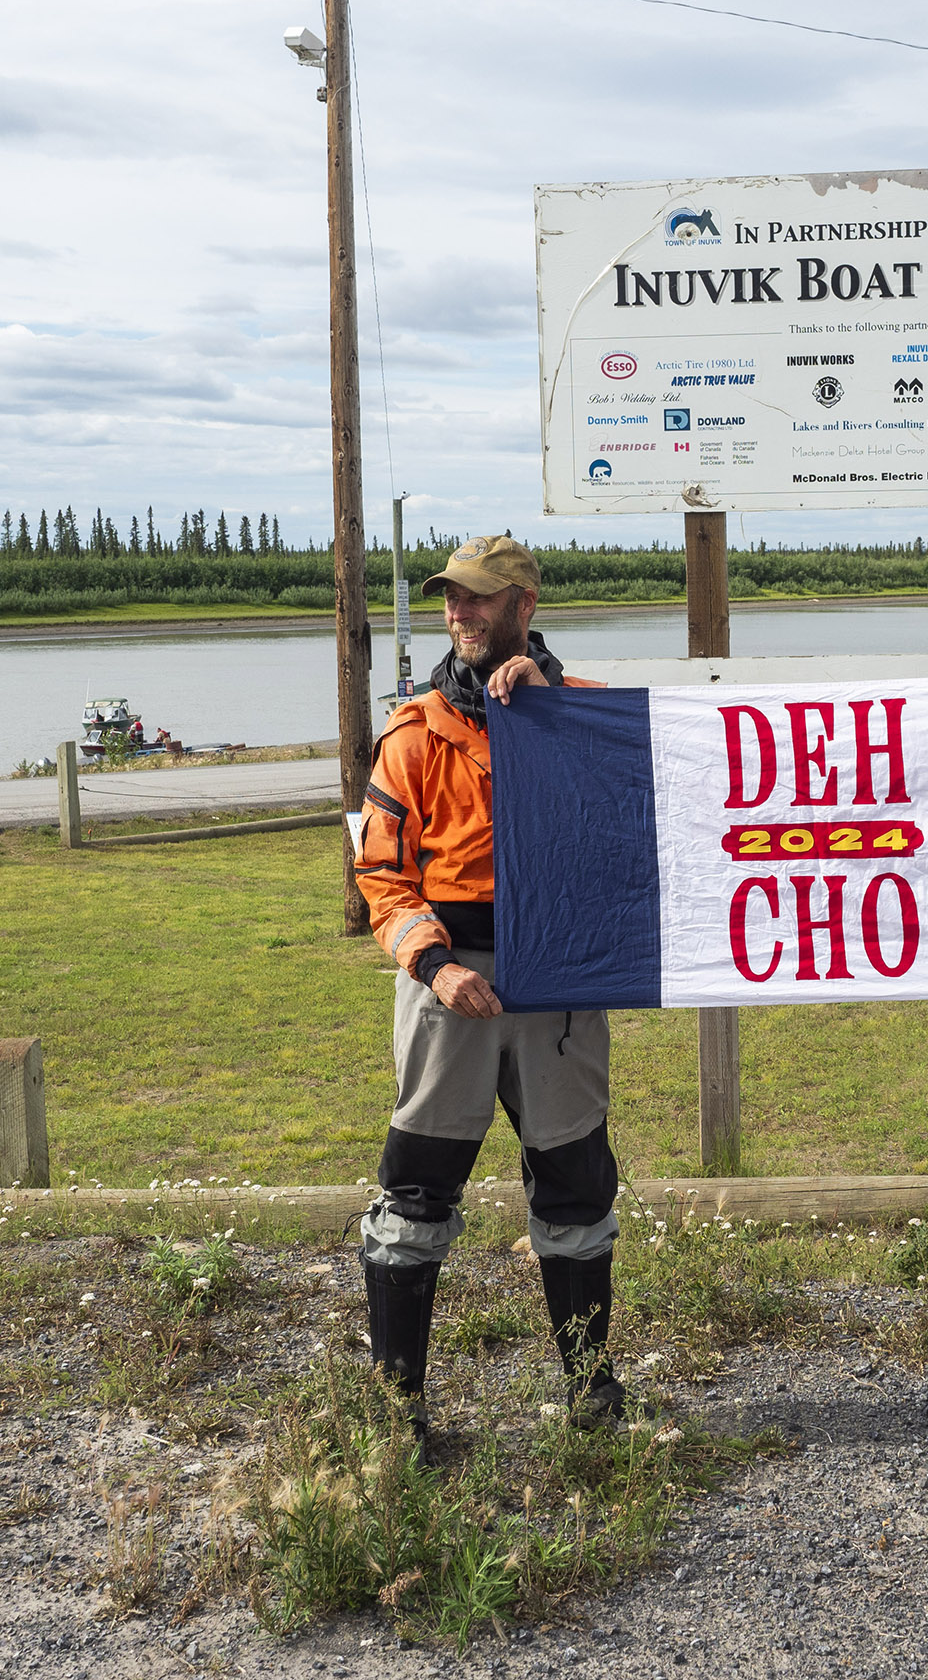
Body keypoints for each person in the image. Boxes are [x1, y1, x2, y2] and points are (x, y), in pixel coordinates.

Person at [351, 535, 628, 1440]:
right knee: (416, 1192)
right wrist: (436, 966)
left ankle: (592, 1398)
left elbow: (635, 824)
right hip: (449, 986)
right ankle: (399, 1411)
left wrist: (551, 717)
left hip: (560, 985)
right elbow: (381, 876)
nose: (458, 612)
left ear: (524, 604)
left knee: (577, 1184)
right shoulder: (413, 732)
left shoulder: (591, 714)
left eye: (476, 597)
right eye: (450, 597)